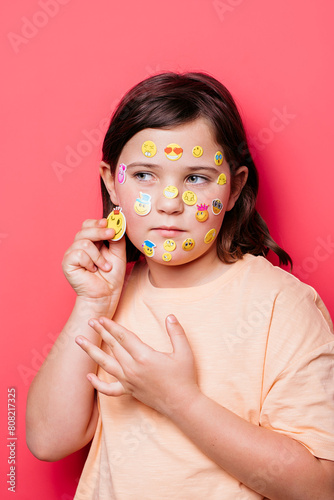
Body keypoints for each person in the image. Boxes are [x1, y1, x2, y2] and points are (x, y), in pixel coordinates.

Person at [26, 72, 334, 500]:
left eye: (196, 179)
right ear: (113, 182)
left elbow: (319, 488)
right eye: (146, 176)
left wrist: (179, 401)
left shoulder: (284, 305)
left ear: (234, 189)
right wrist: (91, 303)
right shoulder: (108, 297)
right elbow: (47, 440)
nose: (170, 203)